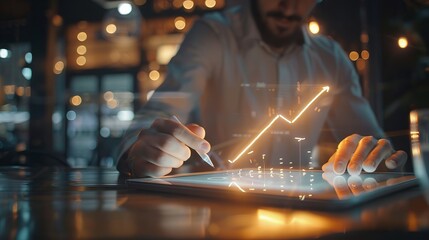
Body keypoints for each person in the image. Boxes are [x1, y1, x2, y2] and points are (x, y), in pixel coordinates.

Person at [116, 0, 407, 178]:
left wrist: (376, 157)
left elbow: (378, 148)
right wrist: (138, 152)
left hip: (306, 214)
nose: (289, 6)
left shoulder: (331, 57)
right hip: (221, 215)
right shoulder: (213, 35)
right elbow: (159, 113)